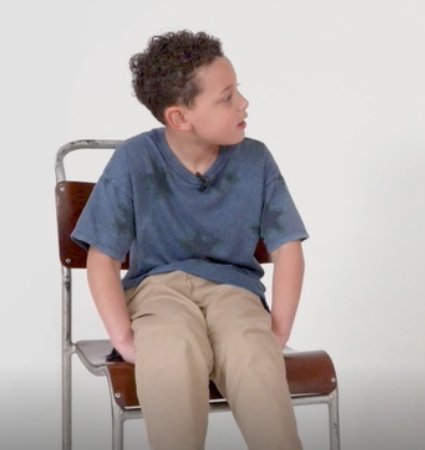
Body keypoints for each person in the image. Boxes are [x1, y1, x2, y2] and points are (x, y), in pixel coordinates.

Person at [71, 30, 307, 450]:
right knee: (171, 352)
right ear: (179, 117)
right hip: (157, 292)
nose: (243, 104)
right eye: (227, 97)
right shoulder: (134, 159)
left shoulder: (256, 159)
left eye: (238, 92)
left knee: (253, 354)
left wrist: (279, 332)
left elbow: (288, 247)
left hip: (235, 290)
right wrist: (122, 338)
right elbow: (102, 258)